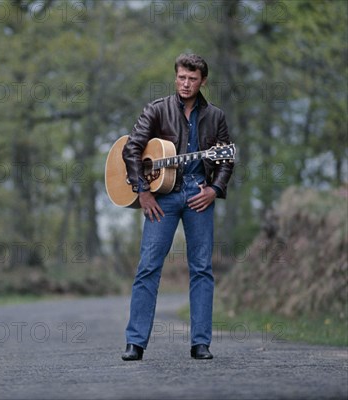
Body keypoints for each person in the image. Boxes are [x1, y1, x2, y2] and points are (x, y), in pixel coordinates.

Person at [121, 53, 234, 361]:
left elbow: (226, 160)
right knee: (148, 267)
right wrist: (142, 191)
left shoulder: (216, 116)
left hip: (199, 197)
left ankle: (201, 344)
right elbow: (132, 149)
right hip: (162, 198)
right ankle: (135, 343)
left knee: (201, 269)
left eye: (192, 79)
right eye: (182, 77)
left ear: (203, 81)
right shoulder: (157, 110)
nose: (186, 84)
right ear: (176, 77)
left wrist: (215, 189)